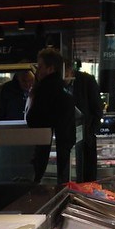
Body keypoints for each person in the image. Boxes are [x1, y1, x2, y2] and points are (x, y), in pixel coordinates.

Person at [26, 48, 76, 184]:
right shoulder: (66, 89)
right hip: (63, 154)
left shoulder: (43, 90)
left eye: (40, 67)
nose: (37, 71)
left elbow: (32, 120)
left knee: (43, 195)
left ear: (50, 69)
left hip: (45, 156)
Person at [67, 60, 102, 182]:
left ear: (71, 70)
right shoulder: (57, 84)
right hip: (66, 138)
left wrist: (90, 132)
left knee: (87, 176)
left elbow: (97, 109)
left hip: (85, 137)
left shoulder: (86, 81)